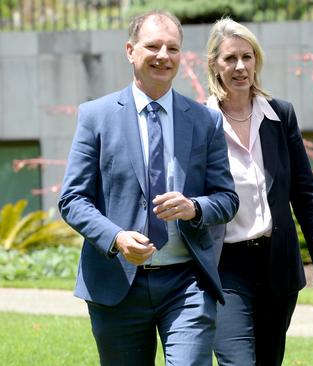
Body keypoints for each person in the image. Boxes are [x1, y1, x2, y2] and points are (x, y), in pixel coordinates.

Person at [58, 11, 238, 365]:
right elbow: (73, 199)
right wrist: (116, 238)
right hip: (116, 285)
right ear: (130, 50)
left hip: (187, 282)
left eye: (173, 48)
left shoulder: (205, 120)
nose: (163, 55)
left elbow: (227, 199)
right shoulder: (96, 116)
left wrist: (195, 208)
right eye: (153, 46)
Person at [204, 18, 313, 366]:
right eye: (230, 58)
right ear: (214, 64)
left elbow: (304, 193)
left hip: (277, 262)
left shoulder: (280, 115)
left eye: (247, 56)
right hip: (225, 265)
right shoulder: (200, 120)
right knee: (238, 361)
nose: (240, 66)